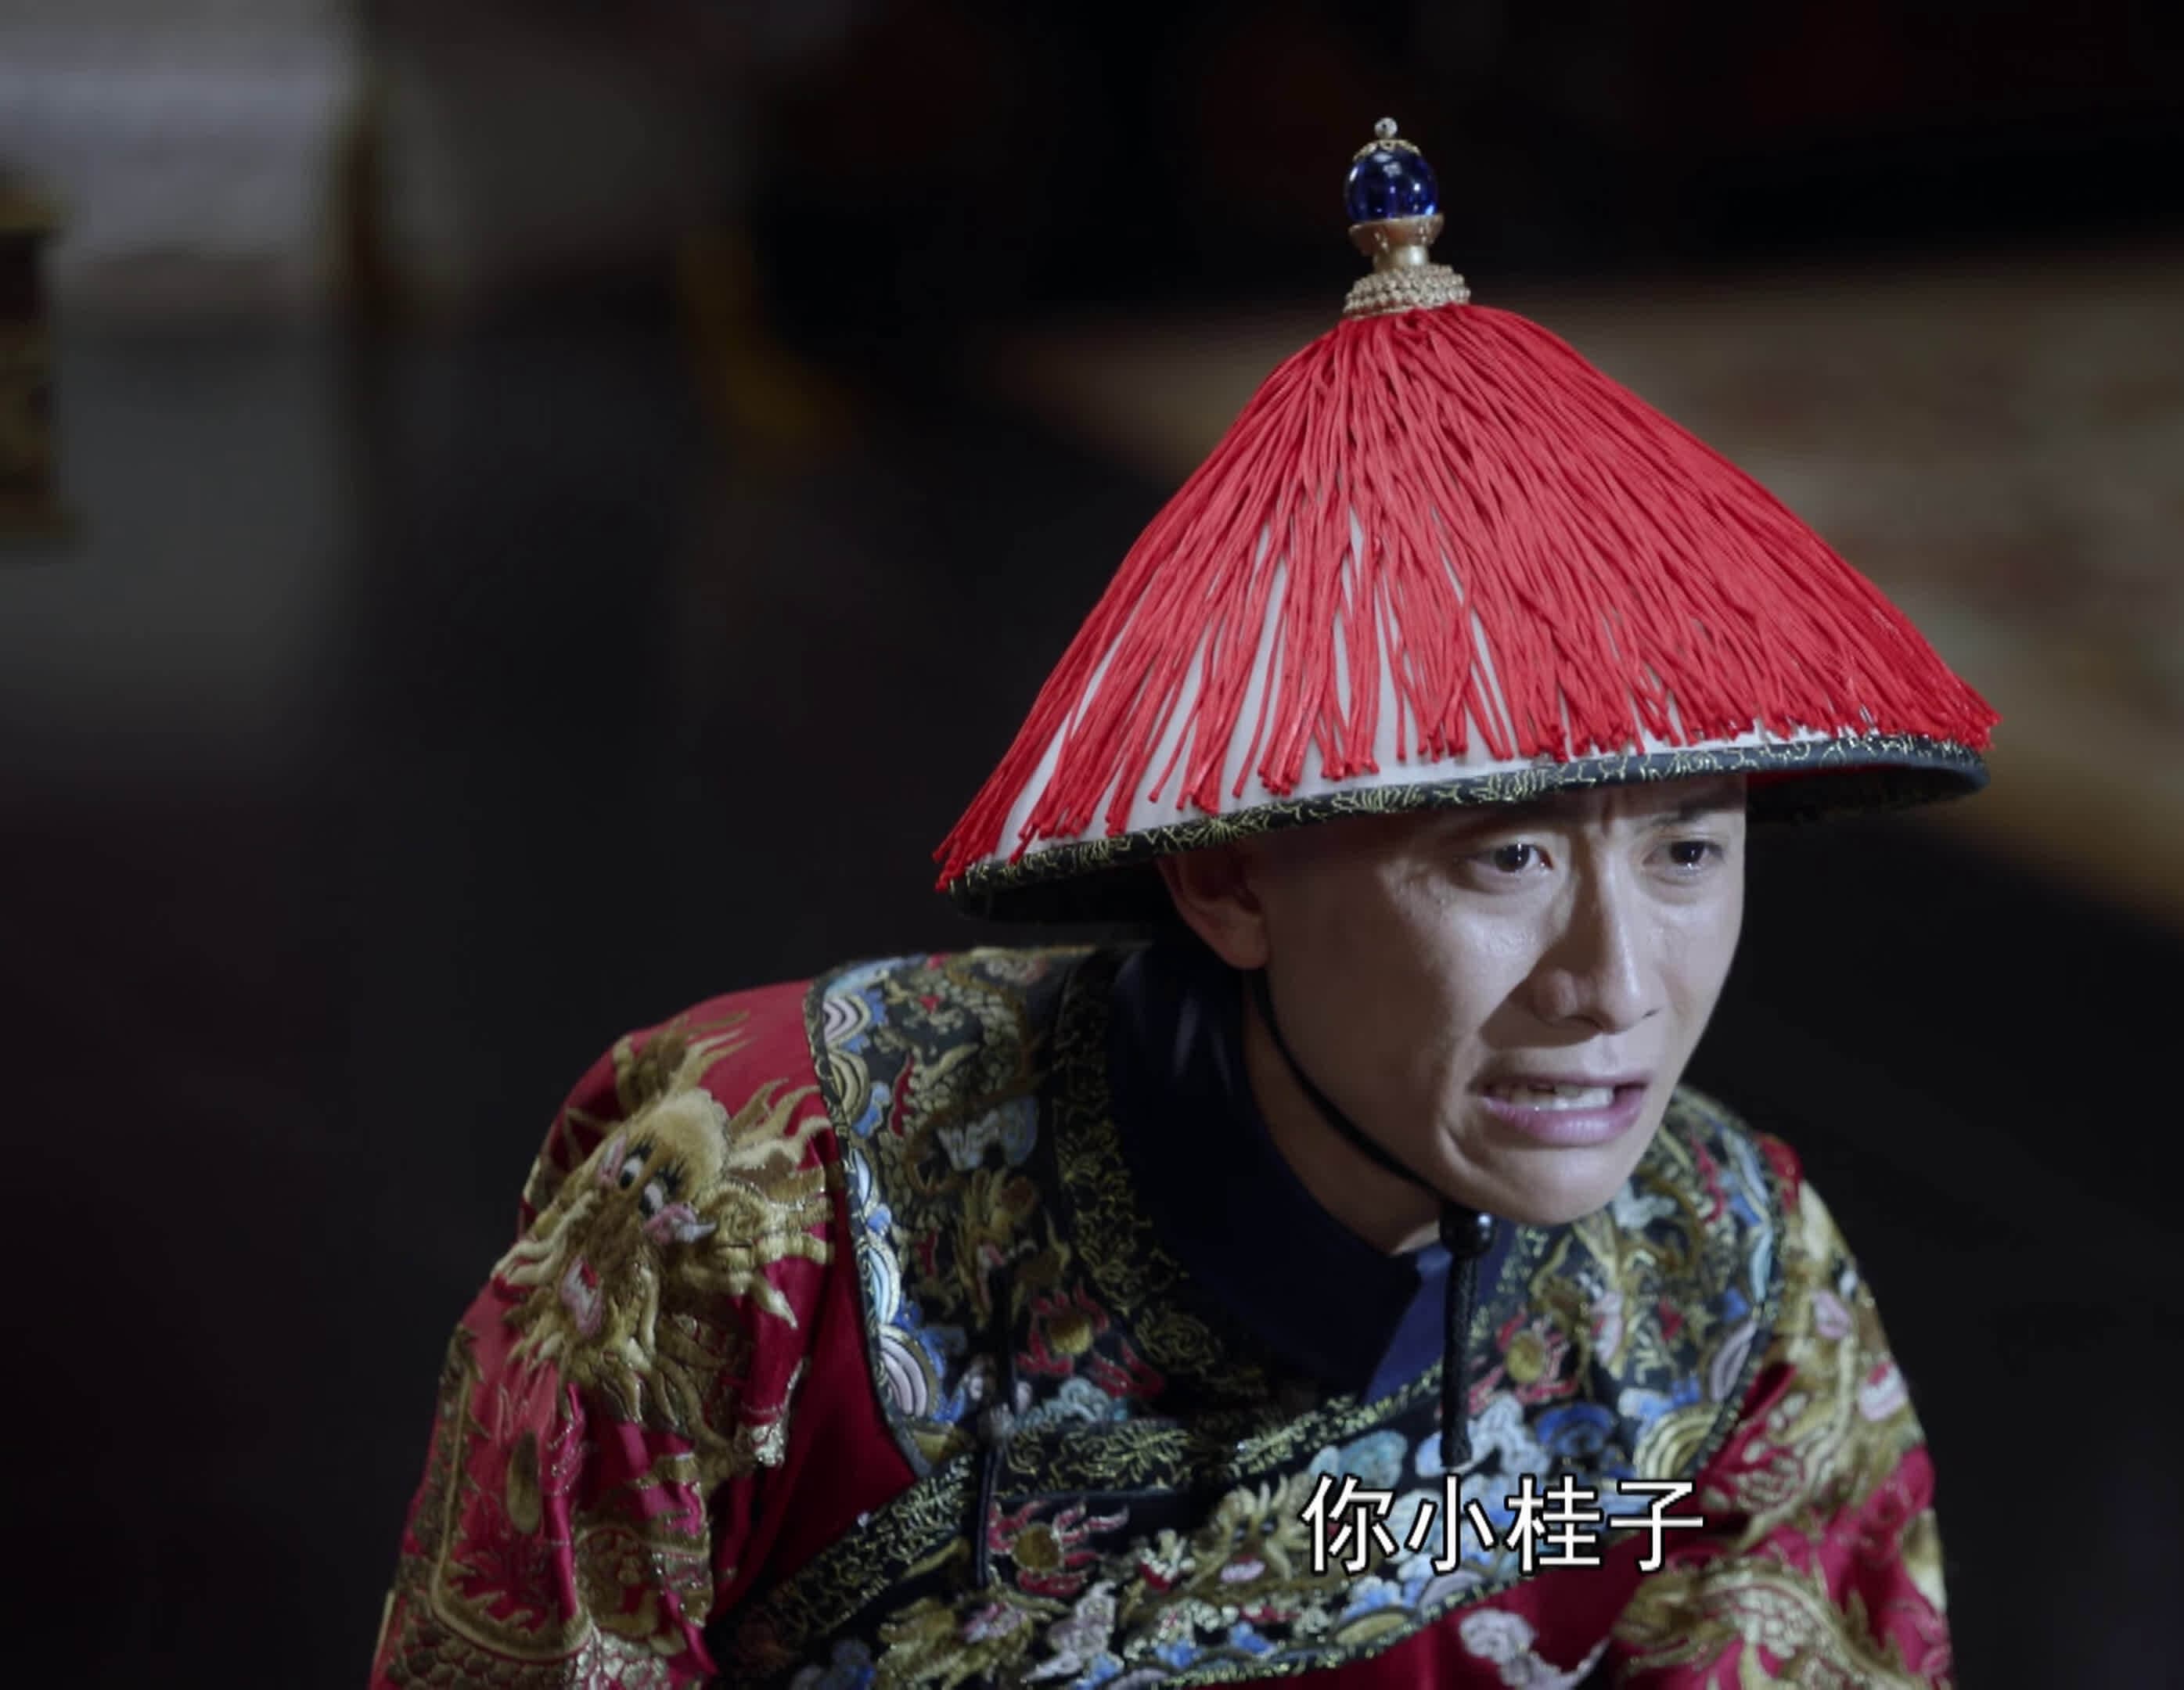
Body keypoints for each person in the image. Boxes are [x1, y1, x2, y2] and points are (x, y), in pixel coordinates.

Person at [371, 119, 1995, 1688]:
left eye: (1687, 850)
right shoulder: (760, 1218)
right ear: (1227, 880)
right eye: (1506, 857)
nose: (1618, 984)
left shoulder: (1731, 1281)